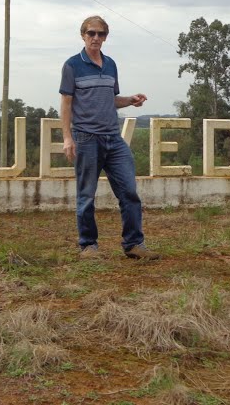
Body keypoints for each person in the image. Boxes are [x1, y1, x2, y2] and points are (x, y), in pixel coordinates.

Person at [59, 15, 159, 260]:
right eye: (91, 33)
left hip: (113, 139)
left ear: (105, 37)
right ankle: (88, 246)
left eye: (101, 34)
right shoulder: (72, 65)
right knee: (86, 196)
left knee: (129, 192)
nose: (96, 38)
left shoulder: (111, 64)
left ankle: (134, 244)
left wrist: (130, 100)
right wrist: (67, 138)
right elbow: (66, 102)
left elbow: (112, 100)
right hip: (86, 138)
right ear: (82, 35)